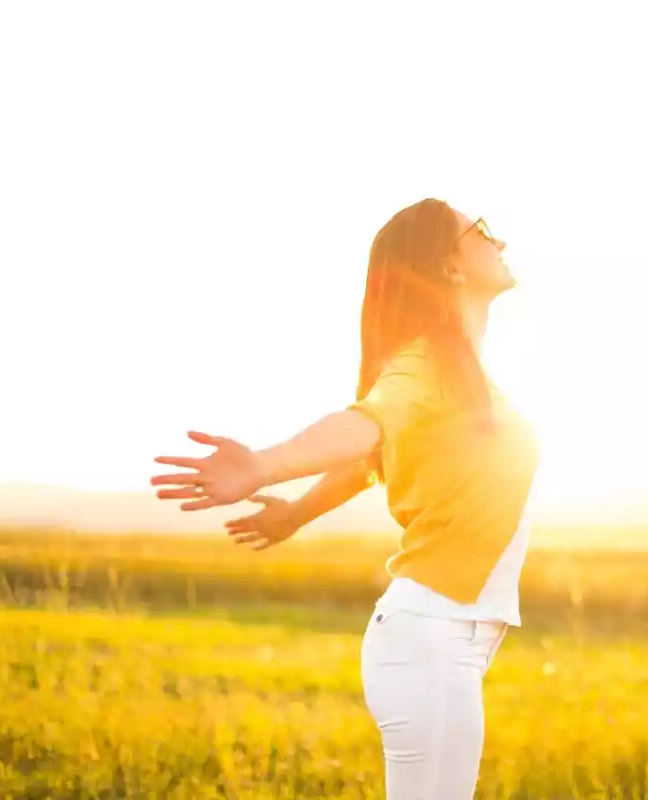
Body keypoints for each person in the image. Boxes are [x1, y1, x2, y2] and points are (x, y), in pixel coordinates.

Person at [150, 197, 541, 799]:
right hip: (432, 636)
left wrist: (297, 513)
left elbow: (369, 461)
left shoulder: (463, 377)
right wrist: (261, 467)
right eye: (480, 231)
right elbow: (363, 427)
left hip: (450, 636)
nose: (501, 242)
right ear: (450, 266)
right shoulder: (424, 366)